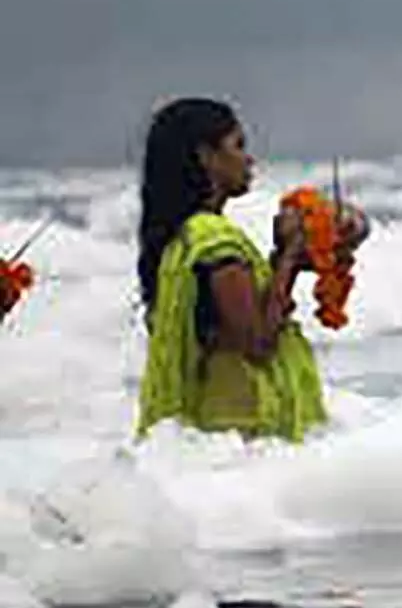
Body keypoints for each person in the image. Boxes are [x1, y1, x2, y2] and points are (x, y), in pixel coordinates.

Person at [135, 98, 368, 441]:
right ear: (206, 156)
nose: (249, 159)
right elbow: (257, 342)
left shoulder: (184, 238)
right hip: (240, 428)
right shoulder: (213, 241)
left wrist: (290, 257)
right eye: (238, 146)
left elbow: (233, 327)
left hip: (215, 431)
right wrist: (288, 256)